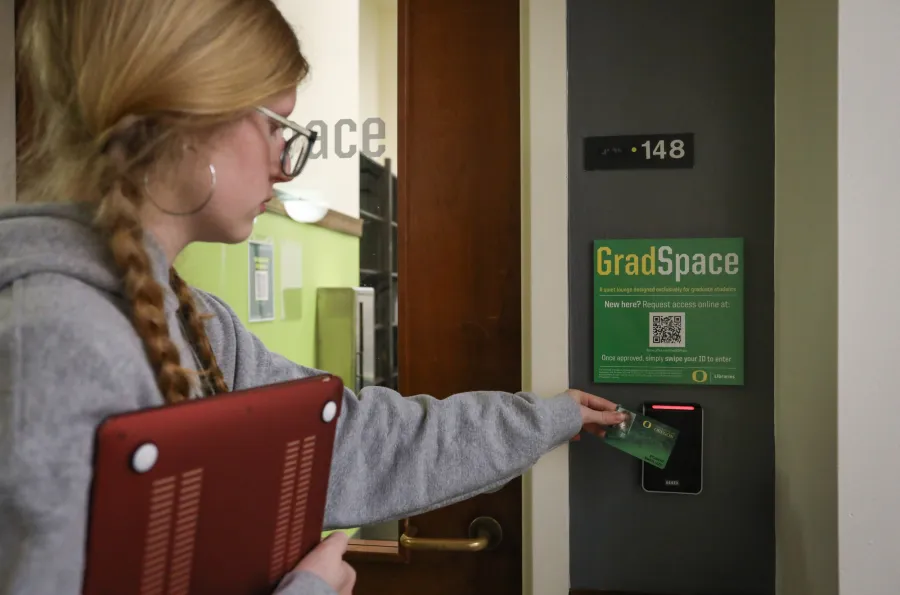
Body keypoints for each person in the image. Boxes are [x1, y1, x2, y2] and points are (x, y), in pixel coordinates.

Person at [0, 1, 626, 594]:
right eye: (276, 126)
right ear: (185, 119)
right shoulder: (52, 338)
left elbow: (360, 442)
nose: (285, 165)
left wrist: (549, 418)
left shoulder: (199, 323)